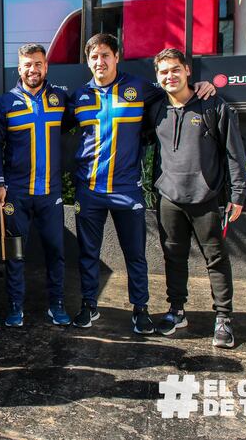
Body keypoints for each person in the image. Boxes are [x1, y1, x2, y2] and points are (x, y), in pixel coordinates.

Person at [69, 33, 215, 334]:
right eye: (94, 57)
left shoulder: (140, 88)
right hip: (90, 190)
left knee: (134, 253)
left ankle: (140, 309)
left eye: (105, 55)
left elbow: (174, 93)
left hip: (127, 190)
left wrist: (201, 84)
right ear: (88, 61)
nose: (100, 61)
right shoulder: (79, 97)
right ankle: (88, 305)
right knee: (87, 254)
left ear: (116, 56)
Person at [144, 48, 246, 348]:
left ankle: (224, 319)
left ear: (188, 70)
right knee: (173, 257)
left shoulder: (212, 104)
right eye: (163, 72)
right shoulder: (157, 108)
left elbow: (234, 153)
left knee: (215, 259)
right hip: (169, 198)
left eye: (175, 69)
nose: (170, 76)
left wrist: (238, 193)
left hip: (205, 198)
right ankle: (177, 310)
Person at [0, 43, 71, 327]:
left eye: (38, 63)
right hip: (17, 193)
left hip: (51, 193)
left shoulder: (61, 99)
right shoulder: (5, 103)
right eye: (27, 64)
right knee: (15, 254)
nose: (32, 69)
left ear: (46, 67)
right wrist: (0, 183)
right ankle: (15, 306)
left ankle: (57, 304)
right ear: (19, 68)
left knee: (56, 252)